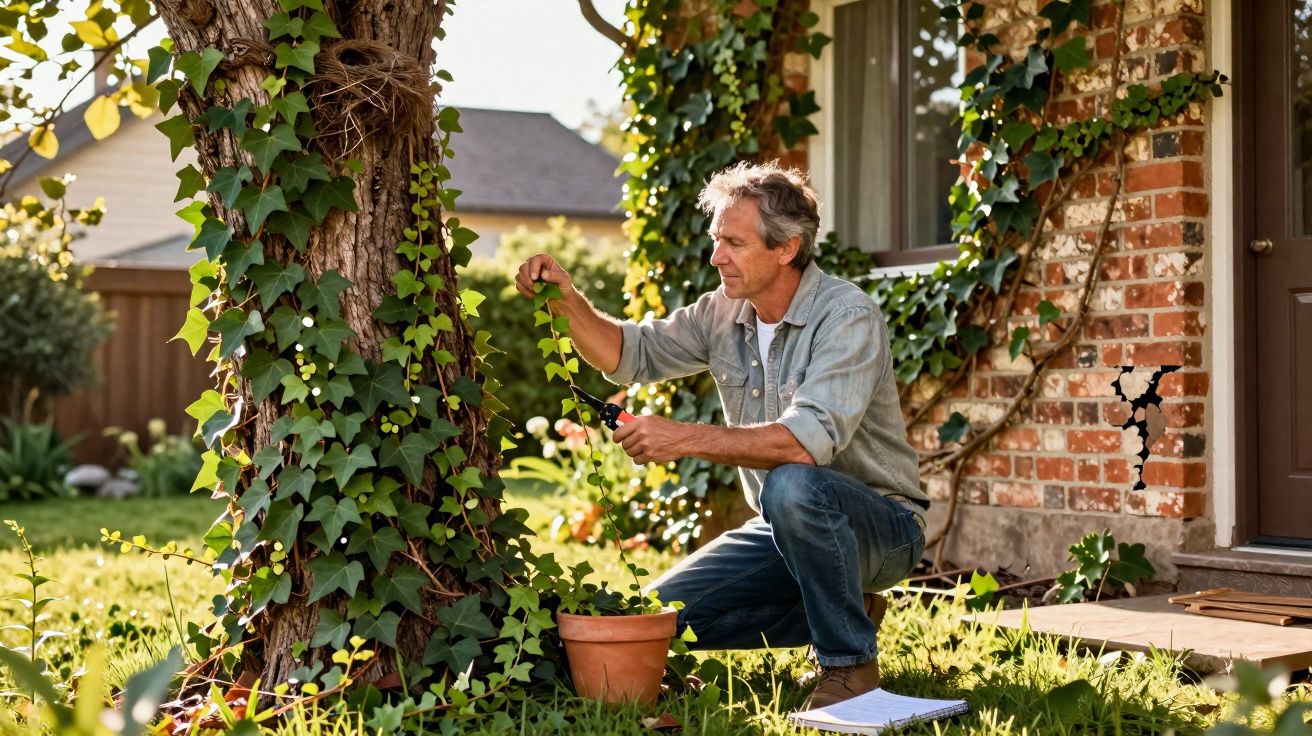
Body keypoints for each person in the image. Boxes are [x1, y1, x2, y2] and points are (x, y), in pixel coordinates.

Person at [513, 161, 926, 709]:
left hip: (882, 528)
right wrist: (567, 299)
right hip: (784, 528)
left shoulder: (845, 316)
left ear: (786, 248)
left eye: (733, 242)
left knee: (793, 483)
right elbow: (628, 354)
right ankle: (848, 608)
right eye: (716, 239)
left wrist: (681, 438)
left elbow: (804, 443)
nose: (716, 257)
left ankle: (850, 666)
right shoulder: (723, 311)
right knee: (655, 621)